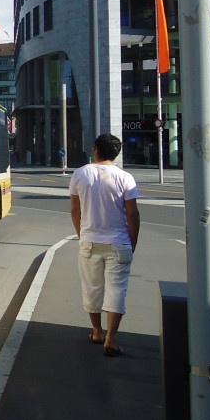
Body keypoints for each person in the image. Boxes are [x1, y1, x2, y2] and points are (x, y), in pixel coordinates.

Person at [69, 133, 140, 357]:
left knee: (92, 288)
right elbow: (132, 213)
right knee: (117, 289)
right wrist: (132, 241)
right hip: (118, 241)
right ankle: (112, 338)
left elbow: (75, 209)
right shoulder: (126, 178)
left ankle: (97, 331)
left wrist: (82, 233)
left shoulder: (80, 174)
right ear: (116, 154)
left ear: (96, 150)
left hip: (90, 240)